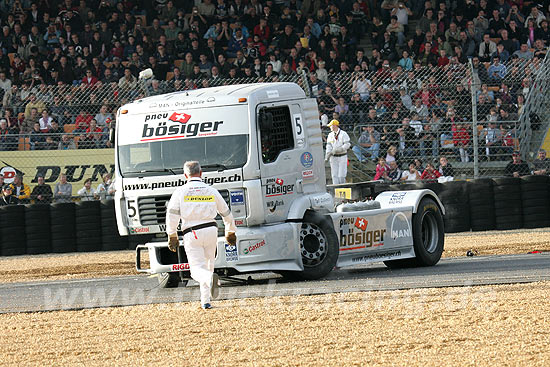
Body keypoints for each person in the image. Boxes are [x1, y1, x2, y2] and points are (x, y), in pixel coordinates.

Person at [165, 161, 236, 310]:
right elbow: (226, 212)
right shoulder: (211, 191)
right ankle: (205, 301)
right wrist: (230, 232)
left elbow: (172, 215)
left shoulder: (180, 192)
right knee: (208, 266)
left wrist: (172, 236)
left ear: (185, 175)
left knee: (197, 269)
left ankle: (210, 281)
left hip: (192, 232)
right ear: (201, 173)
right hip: (211, 230)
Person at [325, 119, 351, 185]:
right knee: (334, 175)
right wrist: (327, 154)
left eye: (331, 126)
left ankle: (342, 188)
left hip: (342, 155)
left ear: (334, 125)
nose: (330, 127)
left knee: (341, 175)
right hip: (333, 157)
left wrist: (340, 149)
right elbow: (329, 145)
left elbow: (347, 144)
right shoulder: (330, 135)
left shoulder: (343, 134)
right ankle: (335, 189)